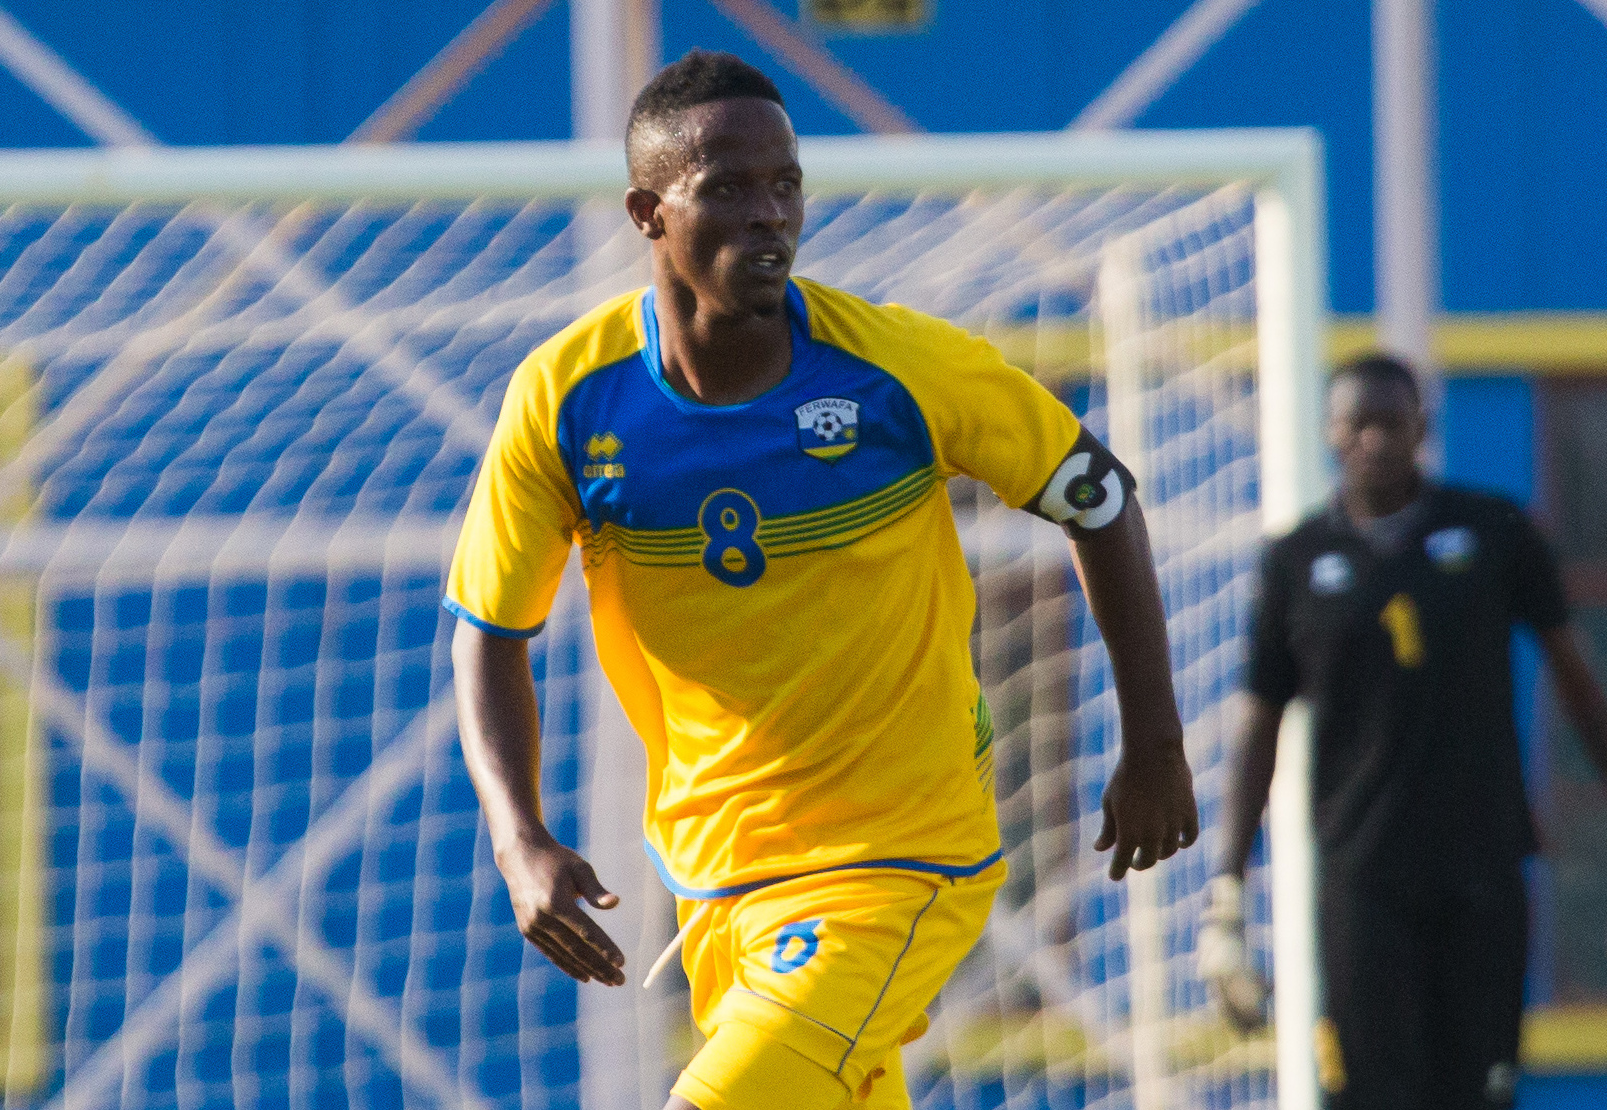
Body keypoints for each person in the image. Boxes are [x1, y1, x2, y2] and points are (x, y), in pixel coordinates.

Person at [447, 51, 1198, 1110]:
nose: (771, 216)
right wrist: (517, 836)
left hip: (904, 858)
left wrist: (1155, 739)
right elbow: (489, 628)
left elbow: (1102, 499)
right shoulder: (568, 402)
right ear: (647, 213)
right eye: (729, 189)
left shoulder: (902, 370)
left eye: (786, 186)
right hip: (719, 879)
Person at [1199, 352, 1607, 1109]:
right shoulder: (1295, 560)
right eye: (1357, 423)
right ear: (1329, 434)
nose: (1375, 440)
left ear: (1423, 428)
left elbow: (1578, 682)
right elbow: (1258, 730)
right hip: (1361, 882)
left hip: (1482, 871)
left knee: (1479, 1096)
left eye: (1391, 421)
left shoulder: (1494, 533)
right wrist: (1226, 898)